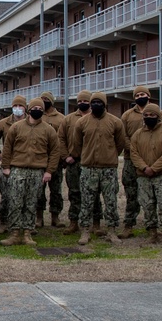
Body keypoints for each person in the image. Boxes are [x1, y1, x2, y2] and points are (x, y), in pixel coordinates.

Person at [0, 98, 61, 246]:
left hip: (37, 171)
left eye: (40, 109)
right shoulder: (17, 127)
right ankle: (14, 233)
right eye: (35, 109)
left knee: (31, 202)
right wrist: (6, 167)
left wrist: (49, 171)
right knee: (15, 202)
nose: (37, 111)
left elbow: (55, 152)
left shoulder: (48, 129)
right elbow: (7, 147)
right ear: (29, 110)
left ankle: (27, 233)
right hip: (17, 170)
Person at [70, 92, 127, 245]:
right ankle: (85, 231)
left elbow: (120, 143)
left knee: (110, 201)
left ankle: (112, 231)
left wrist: (110, 155)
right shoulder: (82, 122)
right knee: (86, 202)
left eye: (99, 102)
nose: (96, 104)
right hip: (88, 168)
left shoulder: (115, 122)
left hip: (108, 169)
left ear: (105, 104)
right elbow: (77, 144)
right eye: (93, 102)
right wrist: (86, 156)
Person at [120, 86, 162, 238]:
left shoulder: (160, 114)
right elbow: (123, 136)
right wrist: (134, 151)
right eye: (137, 94)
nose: (140, 96)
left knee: (154, 195)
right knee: (131, 194)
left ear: (149, 95)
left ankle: (156, 225)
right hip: (131, 160)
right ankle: (129, 225)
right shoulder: (127, 115)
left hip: (153, 162)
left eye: (143, 94)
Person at [129, 103, 162, 245]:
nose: (149, 117)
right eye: (146, 115)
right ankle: (152, 231)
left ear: (158, 116)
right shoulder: (137, 135)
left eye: (152, 115)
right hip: (143, 176)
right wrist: (144, 168)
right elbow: (134, 153)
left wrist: (154, 168)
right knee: (147, 204)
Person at [0, 95, 27, 235]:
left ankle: (24, 223)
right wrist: (0, 156)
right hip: (8, 165)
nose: (18, 109)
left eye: (20, 106)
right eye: (15, 106)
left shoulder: (31, 122)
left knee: (25, 196)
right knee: (6, 195)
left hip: (25, 164)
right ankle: (3, 222)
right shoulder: (3, 124)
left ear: (25, 108)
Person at [58, 90, 93, 235]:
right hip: (73, 163)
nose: (82, 103)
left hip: (91, 163)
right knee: (74, 193)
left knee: (92, 194)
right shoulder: (68, 119)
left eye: (85, 101)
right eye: (80, 101)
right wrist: (66, 156)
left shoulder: (96, 118)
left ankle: (94, 223)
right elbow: (60, 139)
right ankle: (74, 222)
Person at [35, 90, 66, 228]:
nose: (43, 101)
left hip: (56, 161)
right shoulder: (36, 117)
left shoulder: (61, 118)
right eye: (41, 99)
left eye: (46, 99)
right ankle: (39, 217)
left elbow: (65, 139)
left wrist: (64, 157)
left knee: (56, 190)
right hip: (39, 160)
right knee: (38, 191)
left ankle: (55, 216)